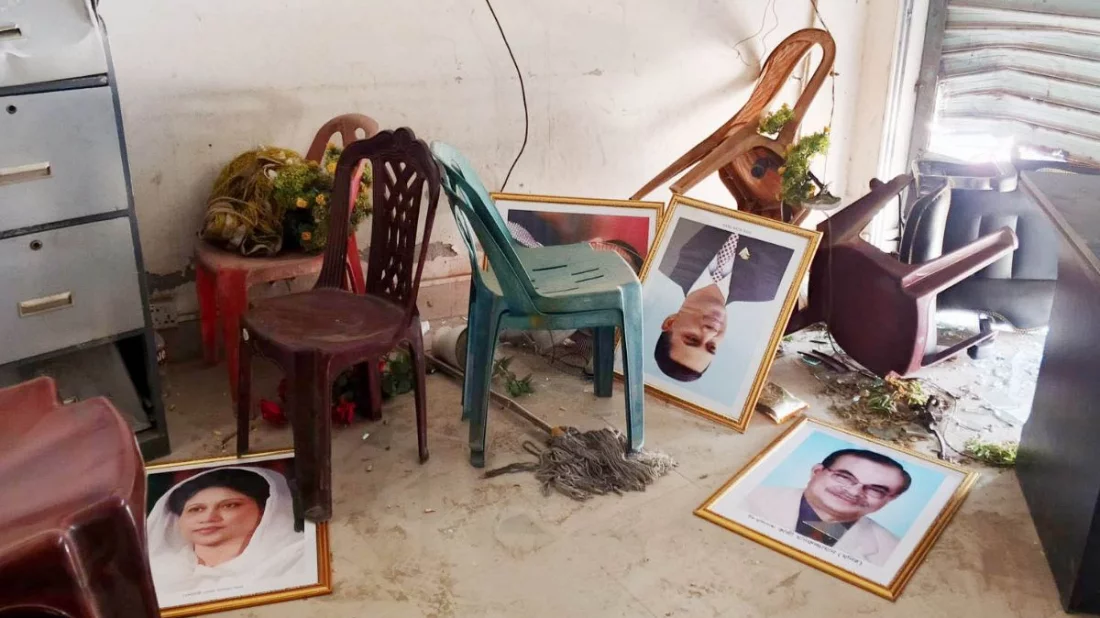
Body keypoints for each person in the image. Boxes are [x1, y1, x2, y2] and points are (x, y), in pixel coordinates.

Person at [653, 221, 793, 381]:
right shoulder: (770, 288)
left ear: (670, 322)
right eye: (711, 346)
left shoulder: (664, 253)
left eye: (692, 338)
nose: (711, 332)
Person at [146, 466, 310, 601]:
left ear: (264, 510)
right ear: (179, 520)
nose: (209, 518)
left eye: (229, 506)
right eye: (196, 509)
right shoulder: (155, 574)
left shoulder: (296, 559)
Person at [744, 449, 912, 566]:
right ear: (817, 472)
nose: (854, 492)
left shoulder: (893, 554)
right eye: (844, 477)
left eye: (875, 489)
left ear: (891, 499)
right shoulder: (745, 498)